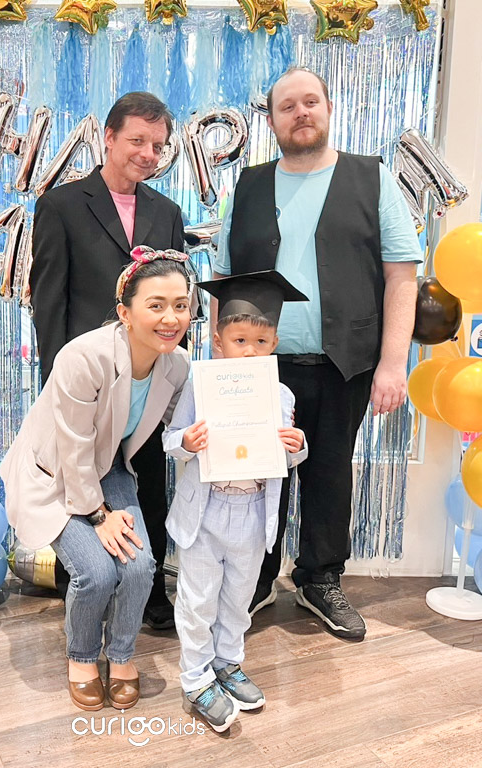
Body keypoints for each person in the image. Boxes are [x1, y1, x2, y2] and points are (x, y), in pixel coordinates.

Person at [213, 67, 421, 639]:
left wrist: (393, 364)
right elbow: (225, 277)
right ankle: (255, 579)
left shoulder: (372, 179)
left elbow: (402, 277)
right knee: (257, 476)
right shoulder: (248, 186)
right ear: (272, 121)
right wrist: (221, 362)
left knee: (329, 474)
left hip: (345, 362)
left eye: (310, 102)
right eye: (287, 106)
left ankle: (319, 579)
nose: (300, 112)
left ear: (329, 109)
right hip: (259, 367)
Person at [0, 249, 192, 711]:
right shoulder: (83, 357)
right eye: (156, 305)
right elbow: (73, 448)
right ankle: (82, 656)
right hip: (55, 473)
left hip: (107, 467)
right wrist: (100, 516)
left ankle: (121, 655)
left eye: (181, 305)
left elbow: (179, 427)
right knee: (96, 572)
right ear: (125, 312)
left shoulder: (177, 365)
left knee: (140, 568)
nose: (171, 318)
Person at [30, 91, 186, 630]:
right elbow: (49, 302)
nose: (148, 153)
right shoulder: (61, 206)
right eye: (138, 140)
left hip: (145, 382)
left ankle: (151, 592)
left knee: (149, 485)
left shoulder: (167, 213)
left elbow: (173, 300)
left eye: (158, 146)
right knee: (79, 482)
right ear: (110, 138)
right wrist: (55, 383)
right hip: (87, 384)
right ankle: (85, 585)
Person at [163, 271, 308, 732]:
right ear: (219, 342)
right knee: (198, 599)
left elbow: (288, 455)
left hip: (253, 512)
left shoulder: (281, 395)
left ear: (274, 345)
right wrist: (187, 441)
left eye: (261, 342)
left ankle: (227, 662)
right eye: (240, 340)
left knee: (238, 599)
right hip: (205, 513)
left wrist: (297, 445)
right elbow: (170, 440)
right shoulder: (199, 386)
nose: (250, 350)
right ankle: (195, 678)